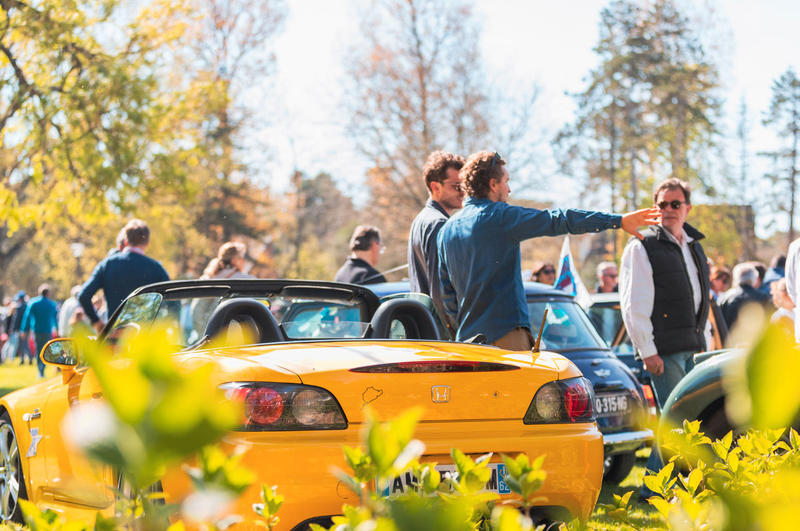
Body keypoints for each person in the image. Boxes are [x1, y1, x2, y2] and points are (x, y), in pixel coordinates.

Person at [437, 150, 659, 350]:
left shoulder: (446, 231)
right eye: (506, 181)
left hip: (467, 344)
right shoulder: (500, 216)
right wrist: (618, 221)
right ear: (493, 184)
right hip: (505, 338)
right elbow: (560, 219)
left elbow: (447, 298)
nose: (509, 189)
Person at [619, 178, 712, 500]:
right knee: (678, 419)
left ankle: (666, 485)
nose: (669, 209)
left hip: (694, 349)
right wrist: (647, 350)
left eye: (675, 203)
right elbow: (633, 304)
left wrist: (707, 344)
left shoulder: (695, 246)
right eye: (662, 204)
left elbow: (702, 300)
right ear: (654, 208)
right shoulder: (641, 245)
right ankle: (654, 487)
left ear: (688, 208)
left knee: (686, 420)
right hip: (663, 350)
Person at [79, 219, 170, 333]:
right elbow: (173, 302)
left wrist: (96, 322)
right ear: (147, 242)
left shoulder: (107, 265)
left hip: (114, 336)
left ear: (126, 241)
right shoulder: (156, 268)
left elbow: (83, 296)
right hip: (144, 337)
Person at [407, 151, 465, 329]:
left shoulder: (421, 220)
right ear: (435, 187)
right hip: (440, 332)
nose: (463, 192)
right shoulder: (438, 224)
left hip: (425, 327)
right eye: (457, 186)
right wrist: (456, 331)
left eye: (464, 185)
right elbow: (440, 291)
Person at [21, 284, 59, 377]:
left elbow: (27, 317)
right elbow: (55, 318)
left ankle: (40, 371)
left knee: (38, 350)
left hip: (36, 330)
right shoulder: (51, 304)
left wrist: (24, 330)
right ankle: (42, 369)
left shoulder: (33, 303)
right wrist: (57, 329)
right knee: (46, 350)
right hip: (47, 330)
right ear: (48, 293)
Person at [718, 262, 770, 330]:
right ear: (754, 278)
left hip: (728, 335)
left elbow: (718, 322)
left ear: (736, 278)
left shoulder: (725, 297)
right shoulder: (763, 298)